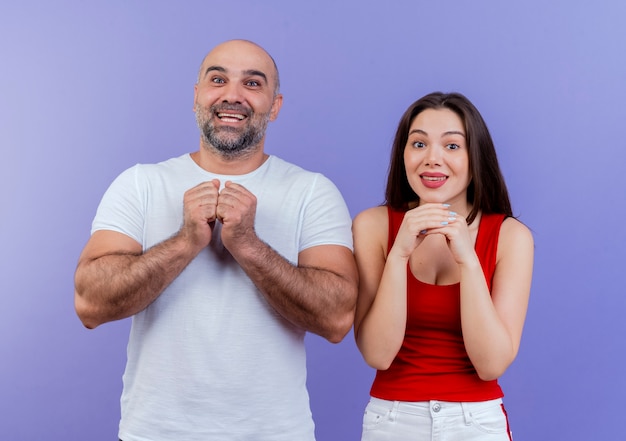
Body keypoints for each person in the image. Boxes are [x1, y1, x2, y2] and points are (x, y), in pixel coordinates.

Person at [74, 39, 358, 441]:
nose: (233, 95)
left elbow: (336, 319)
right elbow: (90, 304)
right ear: (196, 97)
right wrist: (184, 242)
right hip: (156, 433)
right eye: (218, 79)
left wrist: (249, 247)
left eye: (253, 84)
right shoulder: (141, 183)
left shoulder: (311, 191)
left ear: (274, 106)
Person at [352, 92, 533, 440]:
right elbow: (378, 354)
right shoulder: (372, 226)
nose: (432, 159)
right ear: (403, 154)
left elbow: (491, 364)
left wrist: (468, 259)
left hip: (477, 423)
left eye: (452, 146)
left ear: (475, 156)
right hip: (390, 419)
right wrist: (399, 254)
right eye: (418, 144)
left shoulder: (511, 237)